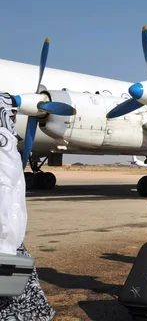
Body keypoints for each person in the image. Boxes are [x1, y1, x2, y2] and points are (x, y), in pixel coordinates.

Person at [0, 91, 56, 320]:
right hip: (5, 238)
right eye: (12, 113)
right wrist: (9, 243)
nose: (15, 118)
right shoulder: (4, 147)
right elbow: (6, 195)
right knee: (16, 295)